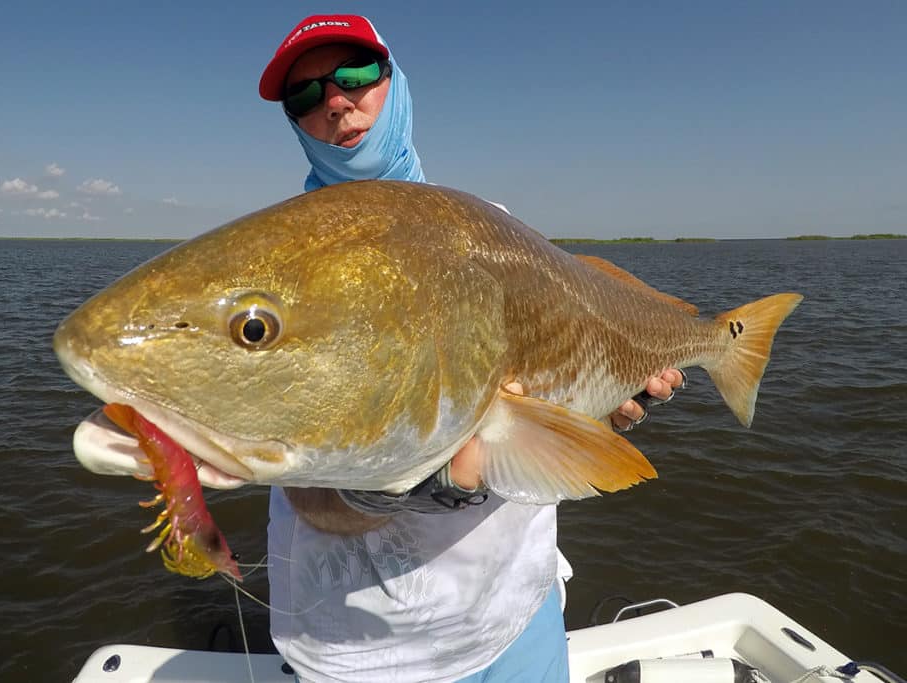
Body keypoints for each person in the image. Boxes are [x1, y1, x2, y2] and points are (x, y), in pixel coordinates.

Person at [258, 15, 684, 682]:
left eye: (355, 76)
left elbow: (539, 388)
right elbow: (288, 461)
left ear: (395, 84)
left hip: (517, 612)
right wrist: (403, 485)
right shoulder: (277, 271)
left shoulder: (495, 226)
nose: (335, 103)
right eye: (305, 96)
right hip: (366, 650)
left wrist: (596, 407)